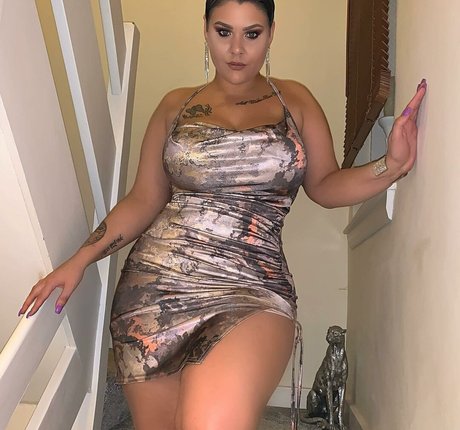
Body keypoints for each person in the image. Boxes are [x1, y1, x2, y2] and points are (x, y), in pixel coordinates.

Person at [19, 0, 427, 429]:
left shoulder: (296, 101)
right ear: (206, 30)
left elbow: (326, 185)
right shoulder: (174, 106)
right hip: (155, 290)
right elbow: (143, 200)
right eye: (223, 31)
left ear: (271, 33)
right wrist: (80, 258)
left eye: (252, 33)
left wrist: (391, 166)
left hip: (253, 288)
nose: (236, 49)